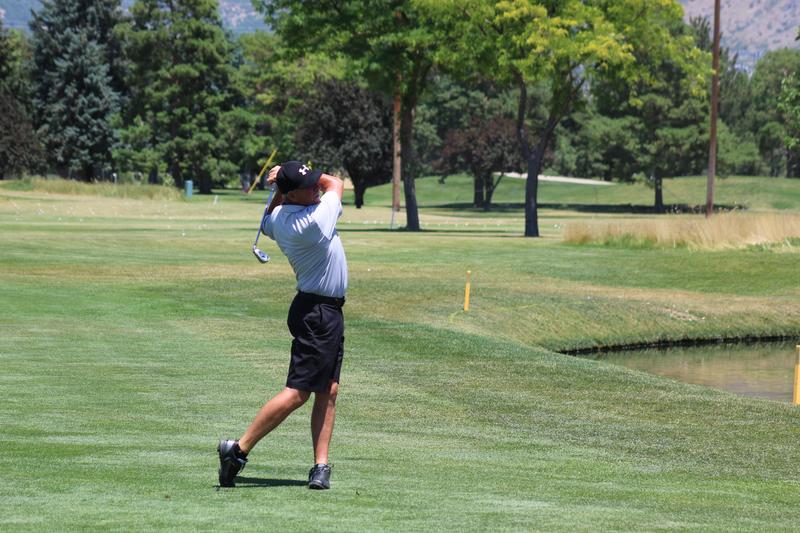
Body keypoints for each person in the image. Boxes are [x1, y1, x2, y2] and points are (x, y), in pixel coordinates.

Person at [218, 161, 347, 490]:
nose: (315, 187)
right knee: (298, 393)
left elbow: (267, 219)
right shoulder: (313, 221)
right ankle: (238, 449)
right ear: (292, 195)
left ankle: (320, 466)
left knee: (328, 390)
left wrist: (282, 185)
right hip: (319, 313)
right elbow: (336, 183)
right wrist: (285, 180)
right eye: (307, 186)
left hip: (320, 310)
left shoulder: (279, 219)